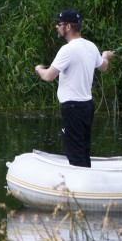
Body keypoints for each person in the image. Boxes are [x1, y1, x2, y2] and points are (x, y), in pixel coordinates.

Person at [35, 9, 114, 167]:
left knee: (74, 151)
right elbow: (103, 66)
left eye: (59, 24)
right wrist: (106, 56)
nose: (57, 27)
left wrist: (38, 69)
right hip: (87, 107)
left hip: (72, 108)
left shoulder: (68, 49)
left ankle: (81, 188)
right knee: (83, 149)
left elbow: (48, 76)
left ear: (68, 27)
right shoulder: (91, 46)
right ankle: (86, 181)